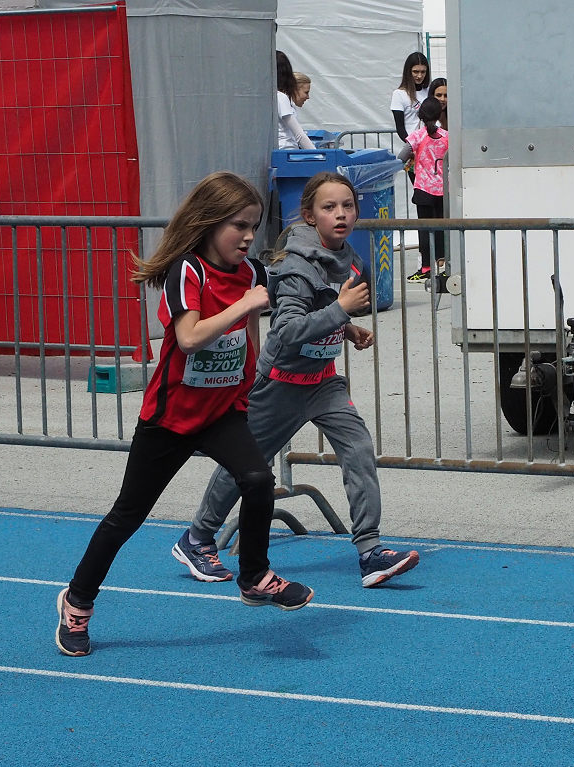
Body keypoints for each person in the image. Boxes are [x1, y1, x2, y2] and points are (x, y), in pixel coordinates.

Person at [55, 172, 313, 658]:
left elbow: (249, 327)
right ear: (210, 223)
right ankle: (78, 601)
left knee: (257, 479)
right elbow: (190, 337)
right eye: (238, 225)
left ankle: (254, 576)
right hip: (170, 418)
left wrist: (251, 370)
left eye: (254, 226)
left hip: (221, 411)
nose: (248, 236)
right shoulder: (187, 271)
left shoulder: (252, 274)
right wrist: (244, 305)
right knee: (126, 517)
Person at [175, 171, 421, 589]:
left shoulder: (350, 259)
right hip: (281, 384)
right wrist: (342, 310)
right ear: (309, 216)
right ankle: (197, 537)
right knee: (247, 467)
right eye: (329, 207)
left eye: (348, 206)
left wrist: (347, 329)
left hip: (324, 383)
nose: (341, 214)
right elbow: (287, 329)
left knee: (358, 449)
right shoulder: (296, 267)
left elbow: (319, 308)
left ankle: (370, 552)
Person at [402, 97, 448, 280]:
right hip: (443, 189)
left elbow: (401, 156)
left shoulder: (417, 136)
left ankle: (426, 267)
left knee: (424, 228)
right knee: (444, 228)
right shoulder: (447, 136)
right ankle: (444, 264)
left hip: (423, 189)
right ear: (439, 114)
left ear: (420, 115)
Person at [390, 52, 430, 145]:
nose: (419, 76)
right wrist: (412, 145)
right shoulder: (399, 94)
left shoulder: (429, 91)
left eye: (423, 72)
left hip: (430, 145)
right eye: (416, 72)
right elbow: (400, 128)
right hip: (411, 145)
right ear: (408, 72)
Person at [277, 51, 314, 150]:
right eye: (306, 92)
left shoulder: (278, 98)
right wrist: (319, 156)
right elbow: (299, 135)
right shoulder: (281, 98)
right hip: (286, 151)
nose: (308, 97)